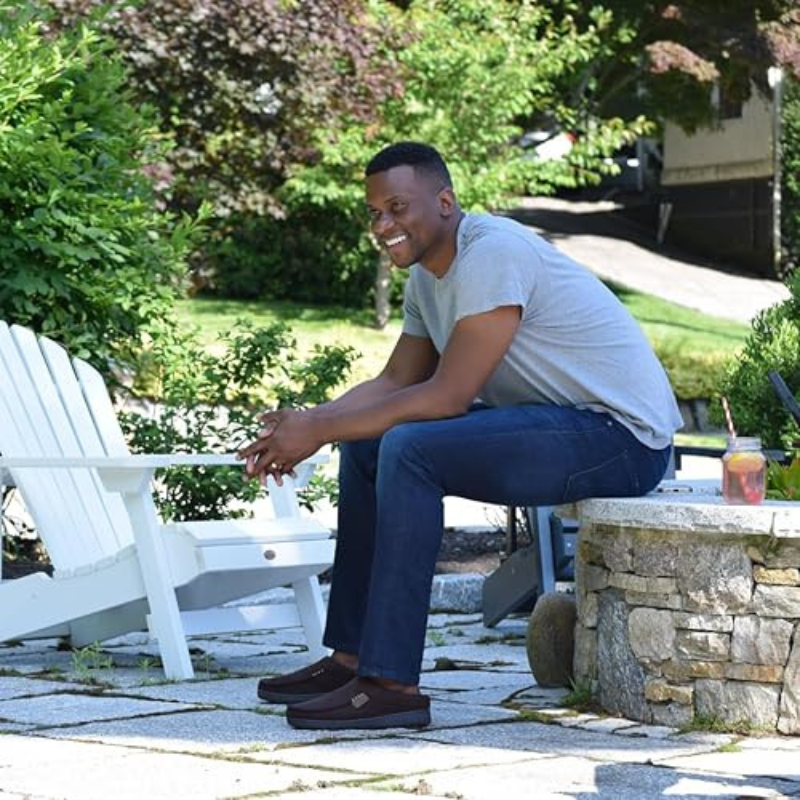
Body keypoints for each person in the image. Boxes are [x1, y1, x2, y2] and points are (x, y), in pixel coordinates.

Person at [238, 141, 683, 731]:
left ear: (445, 201)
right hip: (562, 425)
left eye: (397, 207)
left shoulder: (492, 253)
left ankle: (392, 684)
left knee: (411, 445)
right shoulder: (427, 276)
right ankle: (351, 659)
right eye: (375, 213)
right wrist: (308, 422)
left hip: (622, 438)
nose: (383, 224)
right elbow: (398, 379)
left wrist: (318, 428)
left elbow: (446, 396)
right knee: (369, 443)